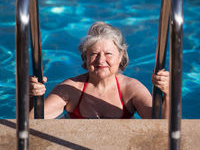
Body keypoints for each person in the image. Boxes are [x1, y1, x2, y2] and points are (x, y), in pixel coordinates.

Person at [29, 21, 169, 119]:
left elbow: (161, 125)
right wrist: (30, 95)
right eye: (94, 54)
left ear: (120, 56)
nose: (101, 60)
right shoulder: (70, 89)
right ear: (85, 57)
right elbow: (32, 122)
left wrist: (168, 93)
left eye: (108, 54)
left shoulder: (131, 89)